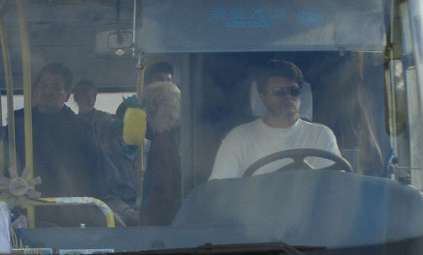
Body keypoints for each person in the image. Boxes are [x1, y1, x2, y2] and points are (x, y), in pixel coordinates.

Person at [209, 60, 344, 179]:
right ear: (263, 97)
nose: (288, 97)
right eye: (278, 91)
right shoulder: (238, 138)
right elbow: (221, 189)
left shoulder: (321, 135)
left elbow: (332, 188)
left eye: (294, 91)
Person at [13, 63, 106, 217]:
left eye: (56, 87)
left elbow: (97, 174)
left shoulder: (84, 130)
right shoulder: (18, 123)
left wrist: (91, 211)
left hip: (70, 211)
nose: (48, 91)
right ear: (37, 89)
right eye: (44, 85)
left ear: (68, 94)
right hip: (25, 209)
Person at [140, 80, 183, 225]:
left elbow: (161, 192)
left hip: (163, 229)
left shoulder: (161, 143)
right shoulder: (183, 137)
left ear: (155, 110)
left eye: (147, 110)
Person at [74, 80, 116, 147]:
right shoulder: (71, 122)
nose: (90, 99)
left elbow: (110, 144)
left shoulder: (105, 118)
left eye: (93, 95)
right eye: (85, 95)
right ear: (76, 98)